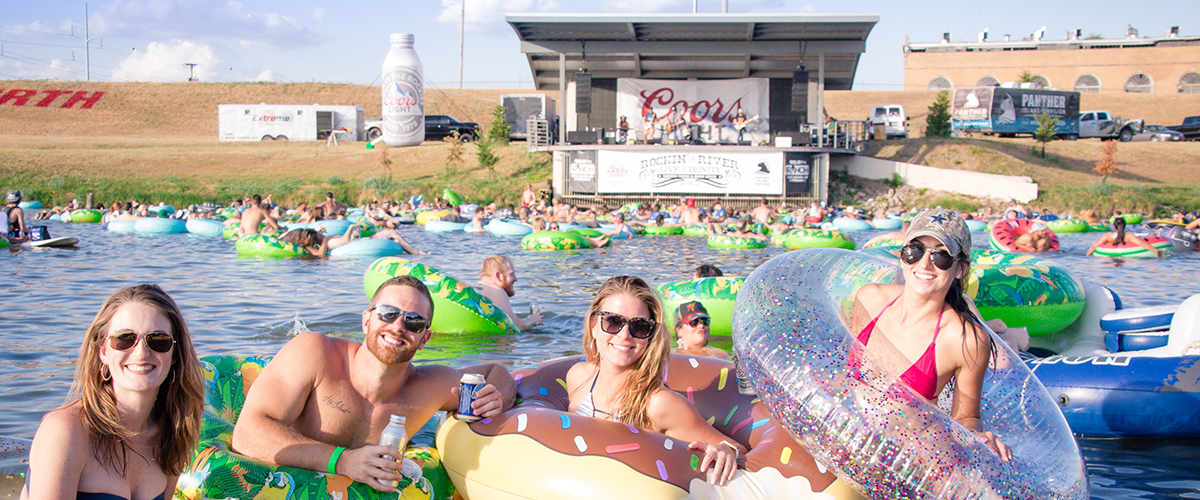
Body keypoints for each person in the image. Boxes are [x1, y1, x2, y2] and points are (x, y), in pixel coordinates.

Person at [231, 276, 516, 491]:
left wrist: (499, 398)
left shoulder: (429, 387)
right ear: (366, 320)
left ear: (425, 338)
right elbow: (247, 433)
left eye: (415, 322)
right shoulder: (315, 353)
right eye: (388, 313)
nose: (398, 326)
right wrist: (343, 461)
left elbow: (495, 370)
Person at [851, 208, 1012, 461]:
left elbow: (967, 417)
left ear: (959, 269)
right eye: (914, 251)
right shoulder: (869, 299)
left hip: (904, 457)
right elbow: (847, 379)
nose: (924, 264)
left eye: (941, 256)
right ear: (903, 256)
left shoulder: (965, 339)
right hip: (846, 433)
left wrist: (976, 436)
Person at [22, 284, 204, 500]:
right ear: (103, 352)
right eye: (124, 339)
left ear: (175, 355)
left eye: (158, 341)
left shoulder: (171, 433)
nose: (141, 352)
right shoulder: (66, 431)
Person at [565, 276, 742, 485]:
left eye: (639, 326)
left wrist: (726, 449)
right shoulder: (578, 377)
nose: (624, 335)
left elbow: (735, 447)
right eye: (613, 321)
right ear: (594, 326)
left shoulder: (659, 404)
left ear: (650, 336)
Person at [476, 255, 543, 331]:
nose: (516, 279)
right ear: (498, 276)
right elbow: (515, 326)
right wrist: (533, 319)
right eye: (511, 274)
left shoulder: (477, 288)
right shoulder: (496, 290)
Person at [1087, 217, 1162, 257]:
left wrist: (1087, 256)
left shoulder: (1108, 236)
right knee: (1149, 235)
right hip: (1132, 244)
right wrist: (1156, 251)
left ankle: (1154, 234)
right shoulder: (1128, 236)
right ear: (1124, 226)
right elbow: (1142, 243)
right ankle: (1155, 233)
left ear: (1114, 226)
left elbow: (1094, 247)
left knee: (1146, 236)